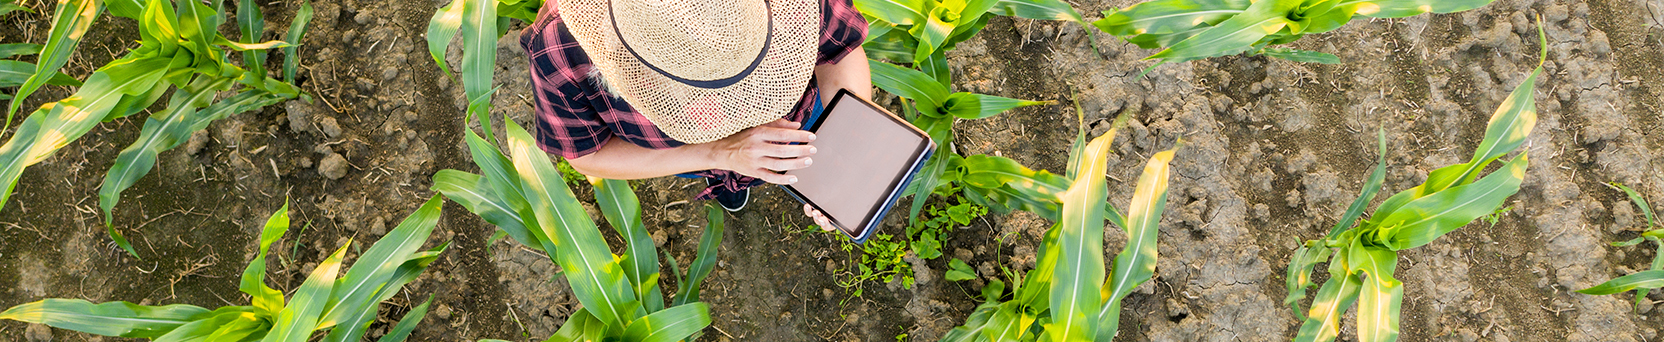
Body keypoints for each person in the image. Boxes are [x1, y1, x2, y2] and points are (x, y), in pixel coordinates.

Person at [521, 0, 871, 230]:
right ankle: (723, 184)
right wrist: (716, 154)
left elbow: (840, 52)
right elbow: (588, 155)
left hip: (800, 120)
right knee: (712, 173)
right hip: (681, 155)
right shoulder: (560, 47)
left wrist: (841, 147)